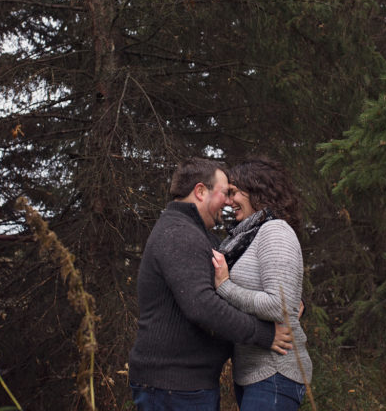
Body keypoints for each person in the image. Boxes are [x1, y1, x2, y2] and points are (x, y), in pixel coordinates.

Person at [129, 157, 293, 411]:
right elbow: (202, 305)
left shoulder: (197, 235)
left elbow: (244, 274)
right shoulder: (179, 234)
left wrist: (292, 298)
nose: (228, 202)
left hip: (184, 386)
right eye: (224, 193)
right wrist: (264, 334)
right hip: (173, 387)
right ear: (200, 191)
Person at [211, 157, 312, 411]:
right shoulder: (247, 237)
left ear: (257, 190)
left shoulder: (275, 231)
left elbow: (280, 307)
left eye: (234, 192)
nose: (229, 202)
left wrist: (225, 287)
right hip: (253, 373)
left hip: (275, 371)